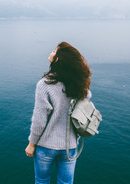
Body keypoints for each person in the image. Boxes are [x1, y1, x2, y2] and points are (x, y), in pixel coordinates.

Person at [25, 41, 92, 184]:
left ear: (57, 60)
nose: (51, 52)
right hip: (70, 146)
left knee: (42, 181)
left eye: (54, 51)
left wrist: (32, 144)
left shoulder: (45, 84)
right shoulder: (79, 84)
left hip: (45, 147)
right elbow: (87, 98)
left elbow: (39, 120)